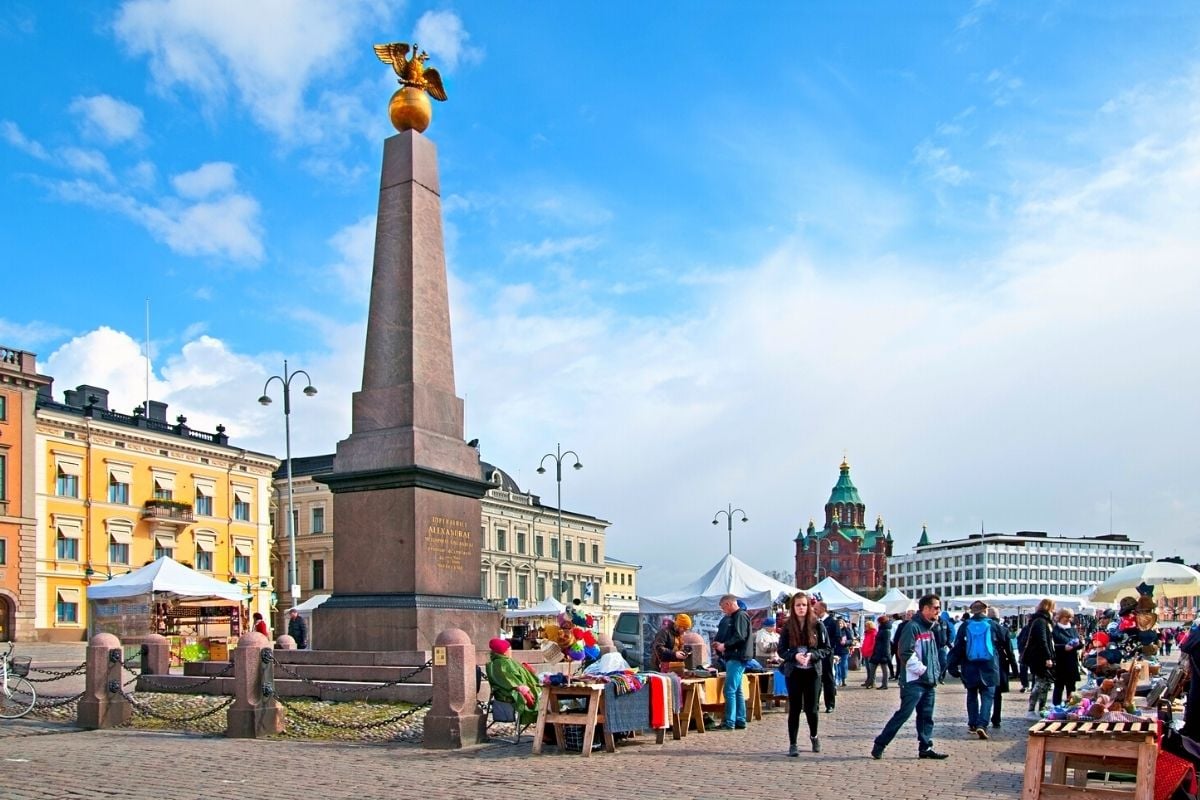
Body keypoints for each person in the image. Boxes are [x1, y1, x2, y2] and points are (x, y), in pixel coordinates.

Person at [871, 594, 948, 760]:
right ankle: (880, 744)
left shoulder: (932, 627)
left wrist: (934, 673)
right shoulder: (912, 627)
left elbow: (938, 648)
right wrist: (923, 671)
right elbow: (905, 652)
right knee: (903, 714)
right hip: (914, 682)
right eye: (935, 607)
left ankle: (925, 746)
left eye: (939, 608)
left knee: (927, 716)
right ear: (925, 609)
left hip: (928, 681)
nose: (938, 611)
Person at [778, 590, 830, 755]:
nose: (801, 608)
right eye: (798, 605)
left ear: (809, 606)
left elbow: (826, 648)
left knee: (811, 708)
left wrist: (812, 655)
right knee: (794, 708)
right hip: (794, 672)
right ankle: (793, 744)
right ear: (793, 607)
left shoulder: (817, 624)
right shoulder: (787, 626)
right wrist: (794, 655)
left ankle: (814, 736)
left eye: (804, 605)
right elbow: (781, 650)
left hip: (812, 672)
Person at [946, 600, 1008, 739]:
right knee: (988, 696)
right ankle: (982, 724)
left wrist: (952, 665)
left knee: (972, 694)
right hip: (990, 666)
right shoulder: (993, 625)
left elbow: (958, 647)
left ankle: (973, 724)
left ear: (972, 611)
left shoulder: (965, 625)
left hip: (970, 665)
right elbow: (1006, 641)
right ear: (985, 610)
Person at [712, 593, 751, 730]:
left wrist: (725, 645)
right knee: (737, 690)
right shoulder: (737, 616)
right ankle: (740, 719)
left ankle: (729, 722)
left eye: (723, 607)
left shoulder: (739, 616)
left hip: (736, 657)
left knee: (729, 690)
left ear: (728, 604)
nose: (723, 611)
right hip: (737, 657)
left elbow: (740, 636)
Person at [484, 637, 541, 726]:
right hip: (509, 694)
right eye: (509, 649)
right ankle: (545, 730)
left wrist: (527, 671)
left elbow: (517, 675)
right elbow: (507, 679)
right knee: (545, 700)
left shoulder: (504, 661)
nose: (511, 651)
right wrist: (519, 687)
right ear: (504, 651)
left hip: (520, 689)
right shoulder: (500, 664)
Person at [1023, 598, 1057, 720]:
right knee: (1039, 683)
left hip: (1042, 656)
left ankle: (1041, 709)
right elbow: (1042, 640)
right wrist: (1048, 657)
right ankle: (1031, 710)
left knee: (1044, 683)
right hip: (1039, 658)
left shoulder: (1042, 620)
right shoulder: (1040, 621)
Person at [987, 606, 1020, 729]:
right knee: (997, 693)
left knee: (984, 692)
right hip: (999, 662)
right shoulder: (1002, 629)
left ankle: (981, 718)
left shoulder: (982, 628)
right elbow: (1010, 651)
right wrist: (1015, 669)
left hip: (982, 662)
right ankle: (996, 719)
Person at [1051, 608, 1081, 706]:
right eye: (1066, 617)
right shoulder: (1055, 630)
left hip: (1071, 661)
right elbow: (1051, 646)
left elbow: (1079, 642)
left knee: (1071, 687)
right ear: (1060, 617)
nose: (1068, 619)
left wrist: (1079, 644)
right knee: (1059, 686)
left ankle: (1071, 706)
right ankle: (1056, 706)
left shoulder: (1073, 629)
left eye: (1070, 617)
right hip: (1060, 662)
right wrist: (1064, 647)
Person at [815, 599, 838, 712]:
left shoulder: (832, 622)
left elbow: (836, 637)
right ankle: (815, 704)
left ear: (823, 609)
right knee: (816, 679)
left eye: (816, 609)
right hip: (816, 654)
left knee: (828, 679)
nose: (814, 610)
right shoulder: (814, 621)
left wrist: (829, 649)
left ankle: (830, 704)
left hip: (827, 654)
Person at [871, 614, 893, 690]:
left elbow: (886, 644)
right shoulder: (882, 629)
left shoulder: (886, 631)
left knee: (884, 669)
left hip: (883, 652)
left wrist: (886, 655)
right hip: (878, 652)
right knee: (874, 668)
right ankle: (872, 682)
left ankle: (885, 684)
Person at [834, 617, 853, 688]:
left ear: (843, 624)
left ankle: (843, 679)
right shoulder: (834, 631)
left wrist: (846, 642)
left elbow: (851, 640)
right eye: (838, 623)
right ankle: (838, 680)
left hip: (844, 650)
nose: (840, 625)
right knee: (837, 666)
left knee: (843, 665)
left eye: (841, 623)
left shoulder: (846, 630)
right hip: (836, 650)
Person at [860, 620, 878, 687]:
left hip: (871, 653)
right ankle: (868, 680)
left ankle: (872, 682)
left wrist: (870, 650)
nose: (865, 627)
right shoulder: (867, 633)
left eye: (866, 626)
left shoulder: (873, 633)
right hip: (866, 652)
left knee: (871, 669)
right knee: (868, 668)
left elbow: (873, 644)